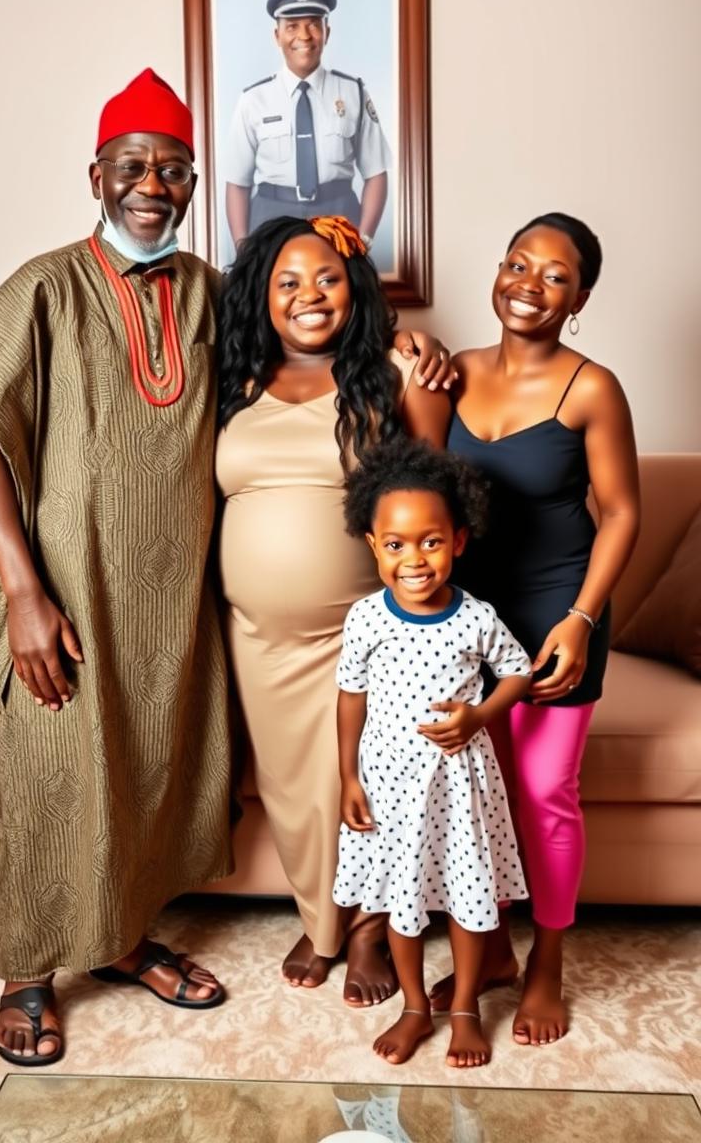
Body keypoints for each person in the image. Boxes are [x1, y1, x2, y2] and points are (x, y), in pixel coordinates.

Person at [0, 68, 235, 1065]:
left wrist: (395, 352)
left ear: (190, 182)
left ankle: (126, 938)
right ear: (96, 175)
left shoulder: (209, 294)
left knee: (143, 766)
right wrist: (20, 590)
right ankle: (28, 970)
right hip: (66, 586)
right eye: (133, 164)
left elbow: (308, 363)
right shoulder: (45, 284)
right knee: (53, 771)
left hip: (171, 599)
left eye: (172, 167)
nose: (152, 181)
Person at [215, 215, 451, 1006]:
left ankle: (368, 932)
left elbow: (432, 487)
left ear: (355, 291)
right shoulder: (235, 380)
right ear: (262, 297)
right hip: (256, 635)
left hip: (364, 630)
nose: (309, 295)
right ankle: (321, 919)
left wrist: (418, 352)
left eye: (327, 278)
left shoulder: (390, 372)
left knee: (365, 779)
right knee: (292, 787)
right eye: (288, 282)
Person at [433, 212, 640, 1047]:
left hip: (558, 610)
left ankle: (547, 960)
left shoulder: (592, 387)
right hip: (469, 623)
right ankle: (492, 953)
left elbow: (623, 512)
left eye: (553, 275)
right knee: (475, 794)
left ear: (579, 296)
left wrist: (583, 619)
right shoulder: (451, 375)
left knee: (545, 792)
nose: (529, 283)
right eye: (518, 263)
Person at [334, 439, 532, 1067]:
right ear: (372, 545)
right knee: (403, 902)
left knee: (472, 905)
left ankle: (468, 1006)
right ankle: (417, 1006)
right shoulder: (366, 618)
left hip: (459, 787)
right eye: (395, 544)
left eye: (431, 541)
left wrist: (479, 716)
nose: (414, 559)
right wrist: (348, 779)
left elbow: (518, 674)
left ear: (459, 540)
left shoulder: (477, 617)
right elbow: (350, 699)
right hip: (389, 787)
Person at [224, 0, 391, 247]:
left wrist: (366, 236)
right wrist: (242, 245)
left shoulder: (353, 92)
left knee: (343, 289)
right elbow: (237, 183)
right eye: (292, 26)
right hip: (271, 216)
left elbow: (376, 172)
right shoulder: (253, 100)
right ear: (277, 36)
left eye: (313, 24)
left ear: (327, 31)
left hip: (339, 214)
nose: (304, 36)